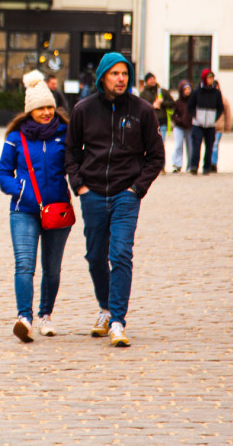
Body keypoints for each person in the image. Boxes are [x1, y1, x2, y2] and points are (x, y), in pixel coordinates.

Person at [65, 52, 164, 347]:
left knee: (120, 253)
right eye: (114, 73)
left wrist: (137, 188)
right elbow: (71, 152)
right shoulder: (83, 110)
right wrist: (79, 185)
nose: (120, 78)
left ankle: (118, 321)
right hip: (92, 193)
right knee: (95, 256)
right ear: (102, 77)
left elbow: (155, 156)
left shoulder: (142, 111)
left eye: (125, 74)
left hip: (125, 194)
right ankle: (105, 309)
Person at [0, 70, 73, 342]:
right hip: (24, 211)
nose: (47, 112)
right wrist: (21, 191)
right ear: (30, 110)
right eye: (41, 108)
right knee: (24, 265)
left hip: (57, 210)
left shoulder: (65, 133)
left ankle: (46, 316)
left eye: (50, 106)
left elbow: (76, 165)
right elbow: (2, 173)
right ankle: (24, 319)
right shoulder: (16, 137)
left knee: (52, 269)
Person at [188, 68, 225, 175]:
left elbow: (220, 107)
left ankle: (207, 167)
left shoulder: (216, 93)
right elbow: (190, 106)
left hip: (210, 124)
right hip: (198, 124)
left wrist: (215, 118)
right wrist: (195, 116)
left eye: (212, 78)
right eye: (209, 78)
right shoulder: (197, 92)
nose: (211, 80)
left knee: (209, 146)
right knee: (196, 145)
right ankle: (194, 166)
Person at [138, 72, 173, 150]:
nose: (152, 80)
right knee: (150, 143)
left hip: (162, 121)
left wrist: (162, 103)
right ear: (146, 81)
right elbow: (140, 107)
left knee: (161, 143)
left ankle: (160, 161)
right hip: (149, 122)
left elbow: (172, 103)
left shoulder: (162, 91)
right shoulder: (143, 93)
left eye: (153, 79)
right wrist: (152, 106)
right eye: (150, 79)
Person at [170, 81, 194, 173]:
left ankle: (190, 165)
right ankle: (177, 164)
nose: (187, 91)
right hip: (179, 127)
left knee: (190, 147)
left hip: (189, 127)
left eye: (189, 89)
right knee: (178, 145)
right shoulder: (177, 102)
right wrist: (179, 120)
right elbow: (173, 114)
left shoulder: (192, 101)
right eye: (185, 89)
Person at [210, 80, 231, 173]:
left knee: (215, 145)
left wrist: (227, 127)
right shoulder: (207, 97)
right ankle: (208, 162)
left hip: (218, 126)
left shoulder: (222, 99)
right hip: (208, 125)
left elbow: (228, 114)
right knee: (209, 145)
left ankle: (213, 163)